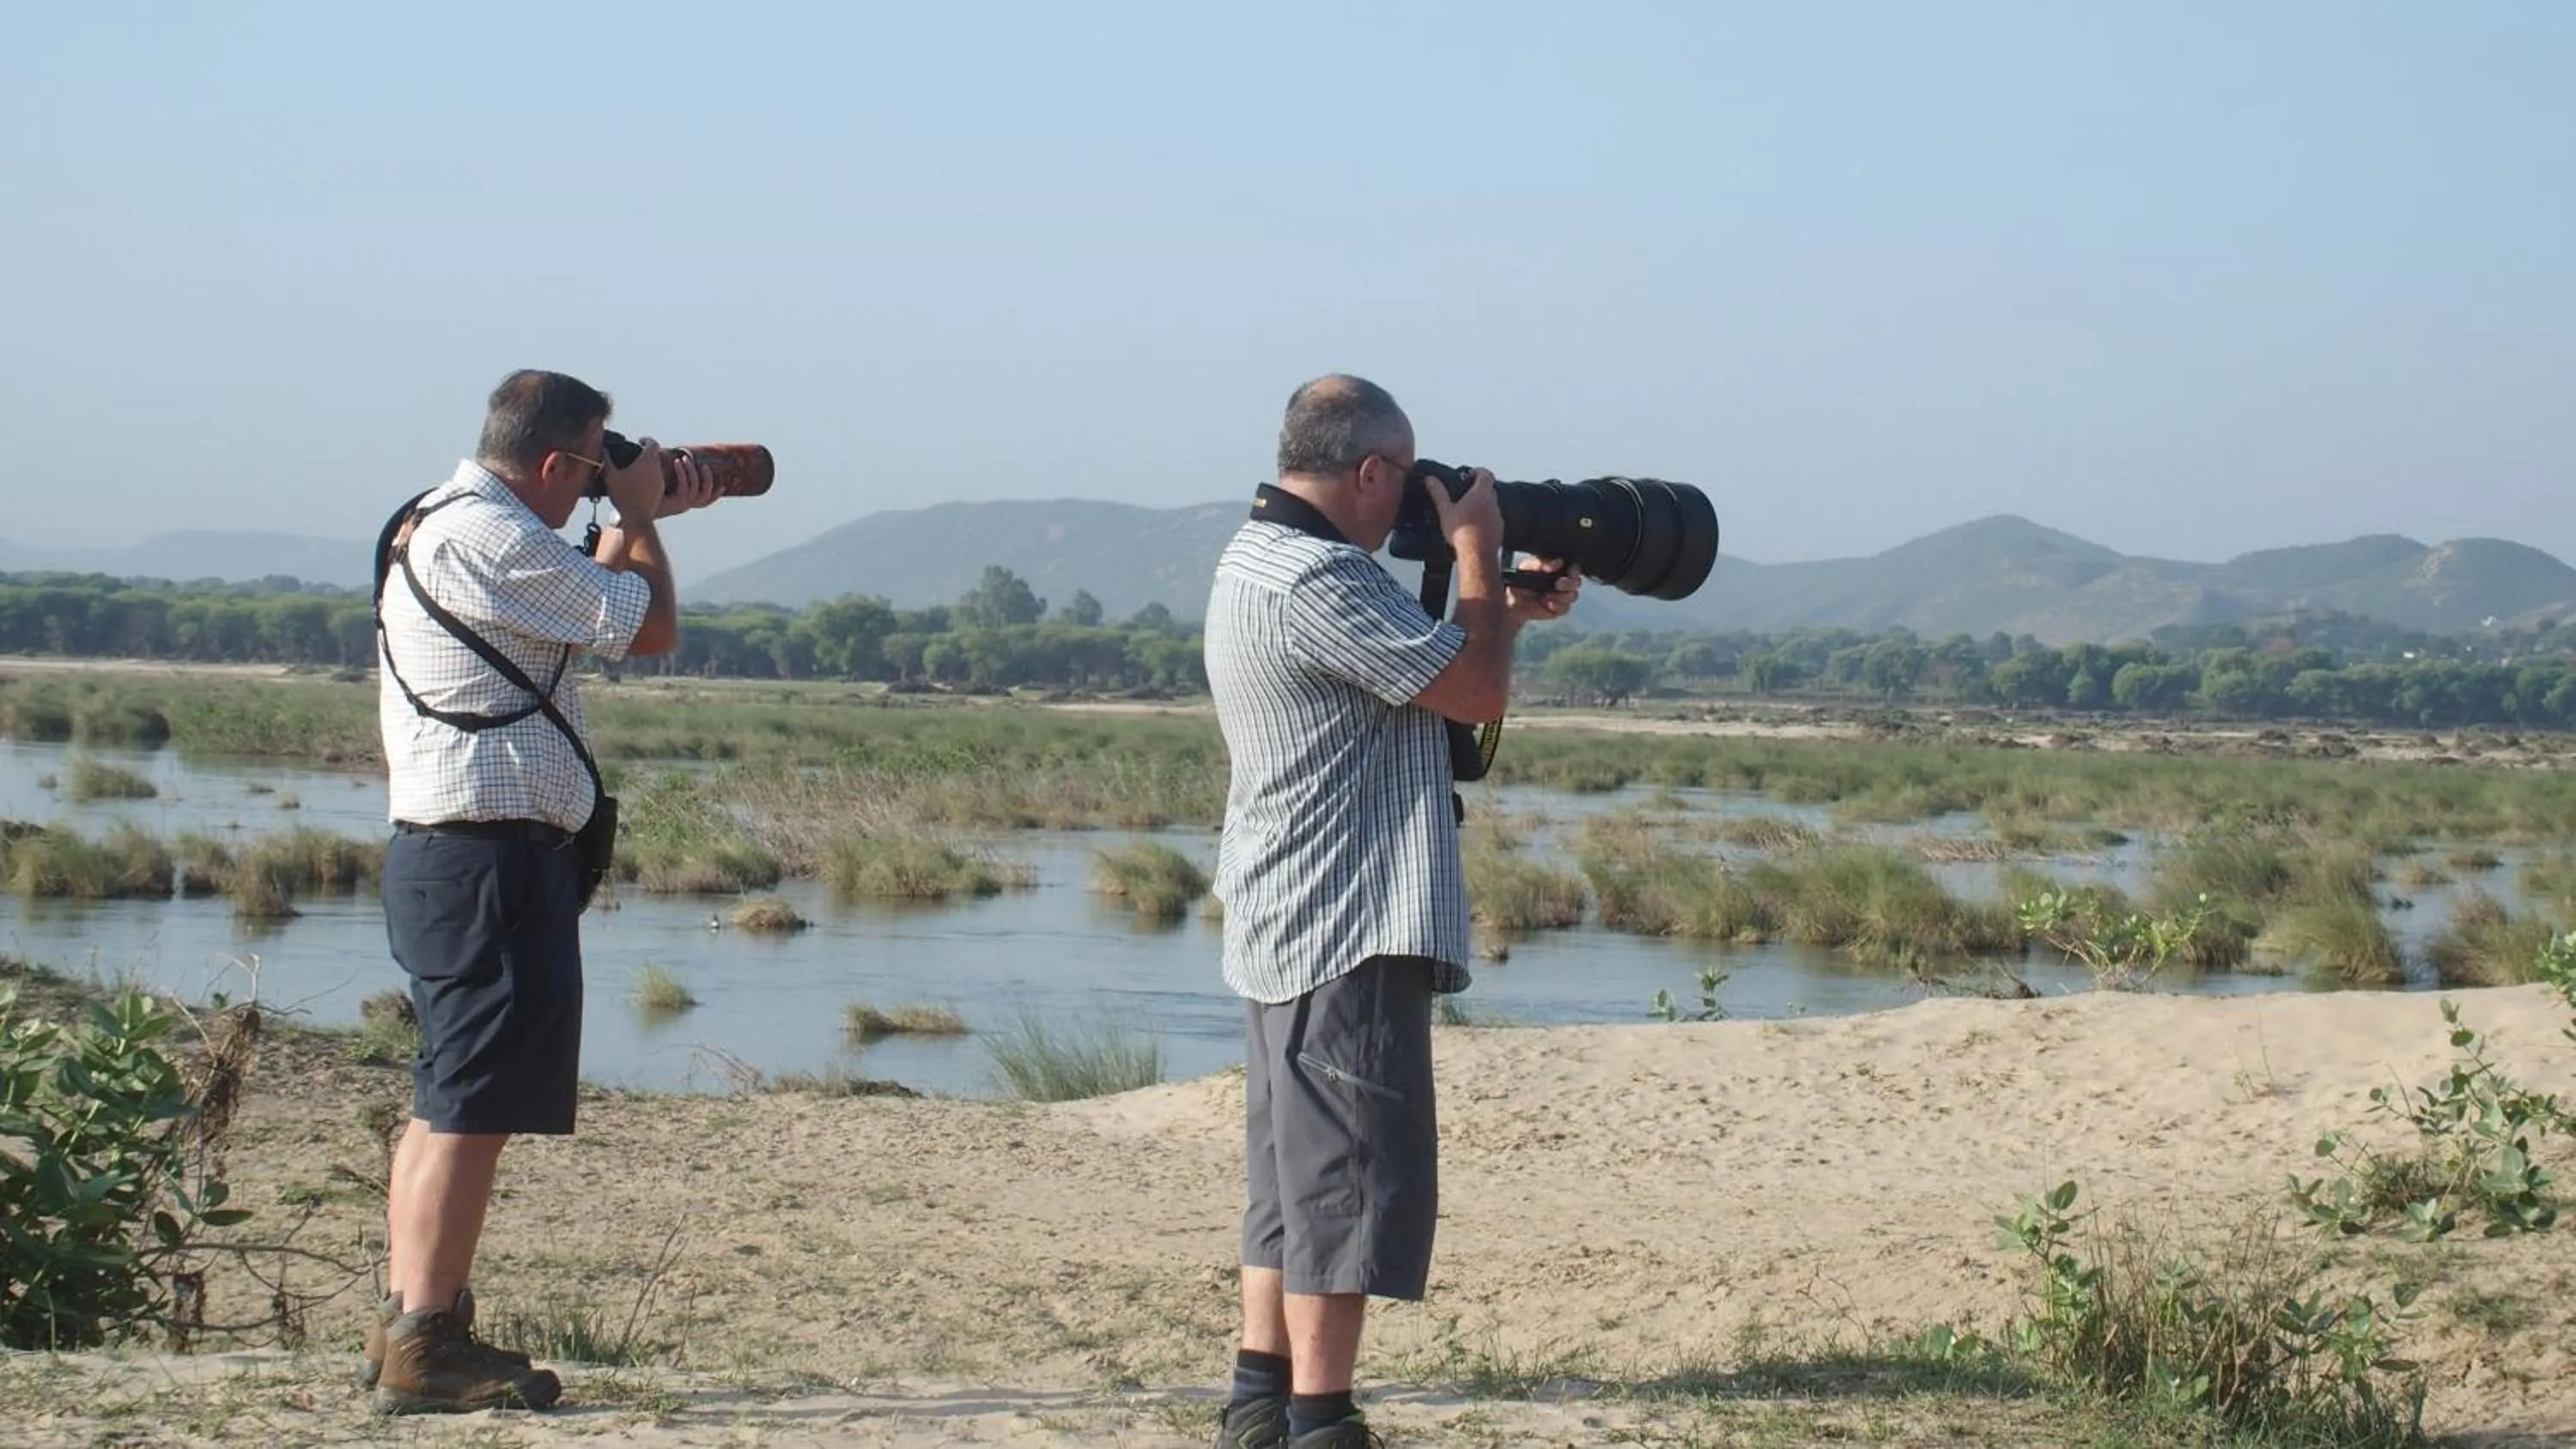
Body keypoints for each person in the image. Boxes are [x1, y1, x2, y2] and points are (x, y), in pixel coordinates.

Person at [1200, 375, 1581, 1448]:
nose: (1412, 500)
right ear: (1369, 470)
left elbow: (1421, 680)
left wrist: (1498, 607)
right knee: (1346, 1180)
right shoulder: (1320, 573)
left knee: (1289, 1177)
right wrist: (1473, 553)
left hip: (1287, 909)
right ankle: (1323, 1421)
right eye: (1406, 480)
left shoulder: (1256, 556)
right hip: (1349, 913)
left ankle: (1259, 1401)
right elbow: (1471, 696)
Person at [362, 369, 715, 1414]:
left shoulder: (448, 520)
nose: (598, 481)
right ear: (558, 462)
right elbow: (644, 627)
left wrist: (625, 513)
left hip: (460, 859)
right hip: (488, 861)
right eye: (594, 463)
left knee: (447, 1100)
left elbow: (585, 614)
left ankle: (411, 1321)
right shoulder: (493, 533)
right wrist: (645, 512)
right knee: (471, 1109)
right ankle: (428, 1340)